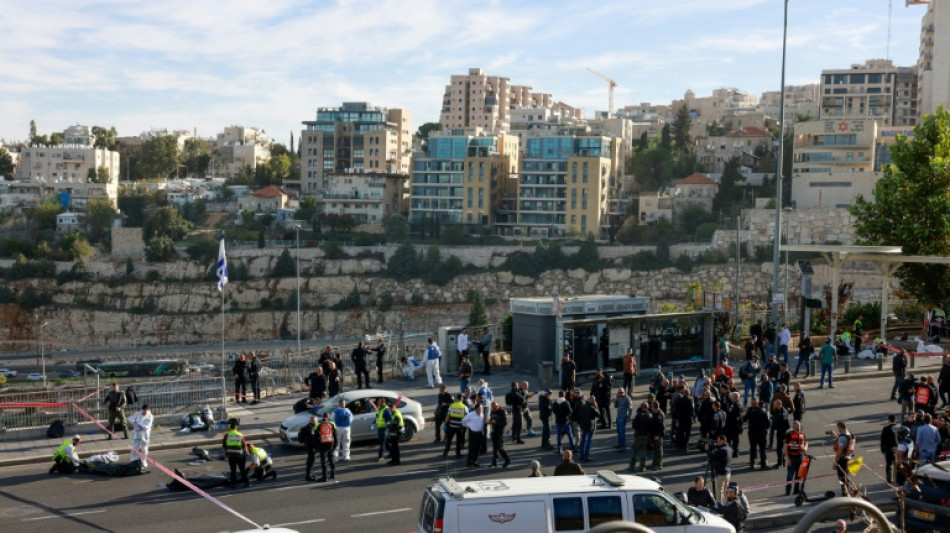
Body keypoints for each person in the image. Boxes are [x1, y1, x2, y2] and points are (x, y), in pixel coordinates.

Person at [221, 418, 250, 487]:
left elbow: (224, 447)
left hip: (231, 456)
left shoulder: (226, 435)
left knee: (233, 470)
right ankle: (247, 483)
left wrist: (226, 454)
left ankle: (233, 484)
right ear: (236, 427)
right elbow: (244, 445)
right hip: (240, 455)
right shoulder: (240, 435)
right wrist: (246, 453)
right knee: (242, 470)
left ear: (229, 426)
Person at [575, 396, 603, 461]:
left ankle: (581, 455)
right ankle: (586, 456)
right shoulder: (592, 408)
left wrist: (580, 423)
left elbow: (578, 416)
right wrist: (596, 406)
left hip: (583, 425)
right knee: (588, 441)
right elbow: (599, 414)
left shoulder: (583, 407)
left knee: (582, 441)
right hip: (591, 426)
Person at [783, 420, 808, 495]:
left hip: (800, 457)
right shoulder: (789, 435)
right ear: (793, 427)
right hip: (792, 457)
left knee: (799, 475)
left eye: (799, 427)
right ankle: (788, 491)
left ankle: (796, 490)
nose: (798, 428)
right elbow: (785, 446)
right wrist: (787, 458)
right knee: (790, 475)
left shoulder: (802, 435)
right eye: (796, 426)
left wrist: (805, 448)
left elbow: (806, 443)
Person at [831, 421, 855, 495]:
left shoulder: (842, 438)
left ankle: (845, 493)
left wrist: (835, 462)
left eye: (838, 427)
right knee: (846, 476)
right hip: (848, 458)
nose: (837, 429)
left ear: (840, 427)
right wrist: (836, 436)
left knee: (841, 477)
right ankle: (851, 491)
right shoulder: (849, 434)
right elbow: (845, 441)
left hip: (842, 459)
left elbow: (840, 450)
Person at [744, 400, 769, 470]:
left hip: (752, 432)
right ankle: (763, 463)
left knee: (753, 448)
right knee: (762, 448)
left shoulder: (751, 412)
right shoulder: (763, 412)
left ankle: (752, 463)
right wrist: (765, 428)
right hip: (761, 433)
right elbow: (768, 423)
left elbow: (745, 419)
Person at [629, 401, 653, 472]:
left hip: (638, 435)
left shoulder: (638, 415)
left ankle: (632, 466)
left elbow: (634, 425)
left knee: (634, 451)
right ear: (647, 407)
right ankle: (642, 467)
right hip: (646, 436)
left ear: (641, 407)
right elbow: (651, 427)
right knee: (643, 452)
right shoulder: (649, 415)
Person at [462, 403, 486, 468]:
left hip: (480, 433)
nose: (480, 410)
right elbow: (463, 421)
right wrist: (468, 426)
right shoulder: (471, 415)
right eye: (479, 409)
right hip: (473, 433)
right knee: (471, 448)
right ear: (475, 409)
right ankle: (469, 462)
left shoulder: (483, 415)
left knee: (478, 449)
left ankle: (475, 461)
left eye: (481, 409)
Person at [315, 413, 337, 481]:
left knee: (323, 461)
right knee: (331, 459)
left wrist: (316, 446)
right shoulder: (332, 423)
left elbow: (316, 436)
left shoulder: (318, 424)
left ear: (322, 417)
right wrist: (335, 445)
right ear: (328, 417)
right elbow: (335, 435)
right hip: (330, 443)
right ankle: (333, 474)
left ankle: (324, 477)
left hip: (322, 444)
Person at [488, 401, 510, 467]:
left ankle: (507, 460)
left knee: (500, 447)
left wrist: (496, 422)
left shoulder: (503, 412)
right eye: (492, 407)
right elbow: (492, 418)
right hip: (494, 431)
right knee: (494, 447)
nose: (493, 409)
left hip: (500, 432)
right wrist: (490, 421)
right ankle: (494, 462)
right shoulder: (492, 411)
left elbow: (505, 423)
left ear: (498, 406)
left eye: (494, 407)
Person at [880, 414, 898, 484]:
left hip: (888, 448)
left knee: (889, 464)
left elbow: (882, 440)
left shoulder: (885, 428)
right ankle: (896, 478)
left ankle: (889, 479)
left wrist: (882, 449)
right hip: (896, 448)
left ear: (889, 420)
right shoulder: (898, 428)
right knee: (896, 464)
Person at [649, 400, 665, 471]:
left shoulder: (659, 415)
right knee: (655, 450)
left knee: (659, 450)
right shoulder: (654, 413)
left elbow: (661, 427)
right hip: (654, 435)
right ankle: (654, 464)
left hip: (658, 436)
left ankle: (659, 464)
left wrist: (658, 435)